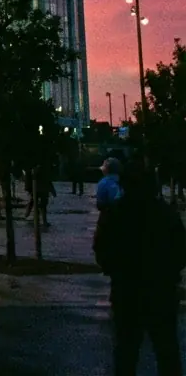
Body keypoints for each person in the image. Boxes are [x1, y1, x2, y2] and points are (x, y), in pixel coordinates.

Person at [95, 159, 186, 376]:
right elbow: (181, 249)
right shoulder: (165, 214)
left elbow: (101, 249)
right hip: (161, 290)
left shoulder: (115, 214)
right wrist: (171, 273)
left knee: (126, 350)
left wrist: (115, 270)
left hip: (127, 290)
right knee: (166, 351)